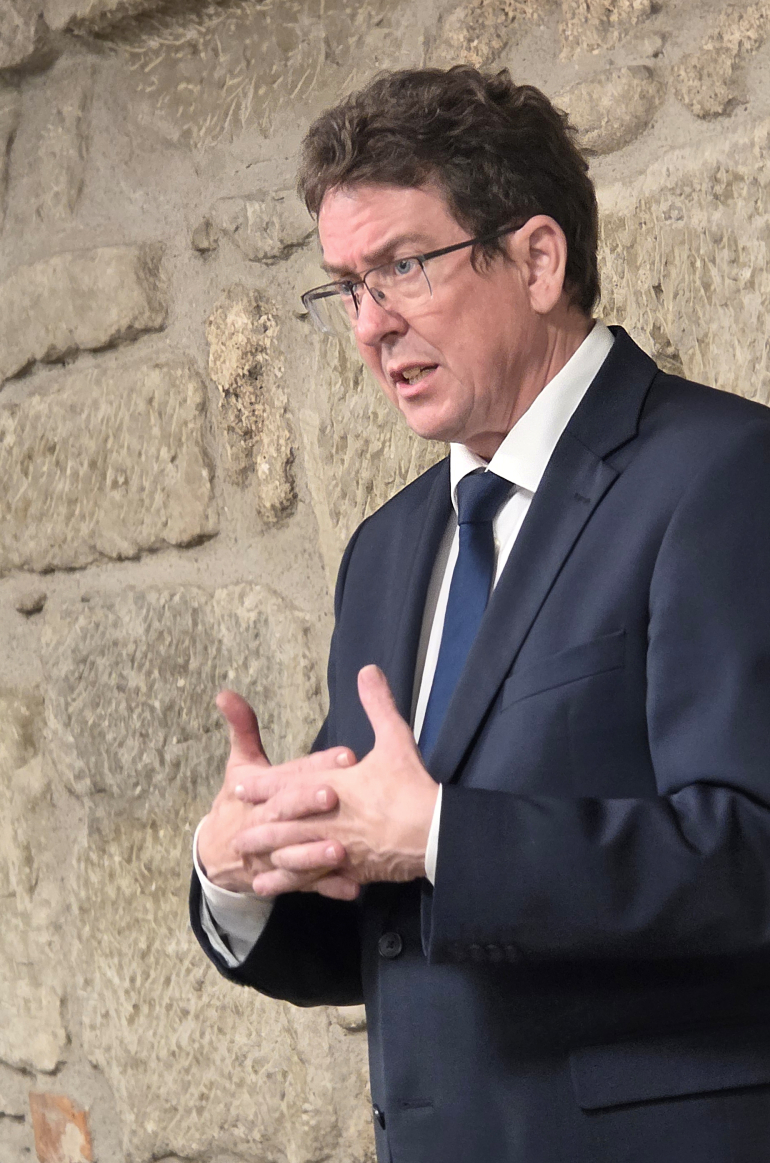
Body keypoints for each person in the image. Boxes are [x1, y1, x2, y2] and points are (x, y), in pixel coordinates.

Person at [190, 66, 770, 1162]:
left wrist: (441, 834)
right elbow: (389, 927)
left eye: (403, 266)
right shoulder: (383, 549)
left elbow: (750, 854)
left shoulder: (727, 475)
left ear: (538, 259)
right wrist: (245, 864)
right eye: (346, 287)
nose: (370, 326)